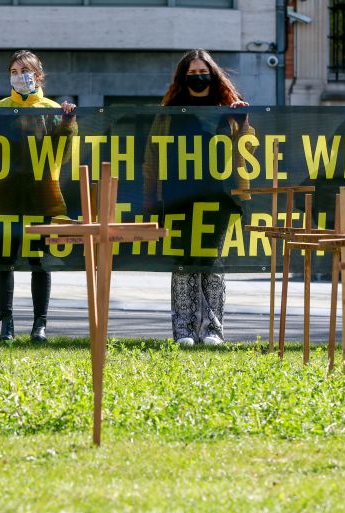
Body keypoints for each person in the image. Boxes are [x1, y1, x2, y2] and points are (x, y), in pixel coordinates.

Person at [143, 49, 251, 346]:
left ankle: (213, 329)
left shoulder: (228, 108)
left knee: (211, 260)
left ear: (213, 75)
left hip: (220, 198)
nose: (198, 78)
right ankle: (184, 330)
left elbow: (247, 149)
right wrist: (150, 197)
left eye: (203, 72)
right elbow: (152, 157)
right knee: (183, 261)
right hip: (177, 198)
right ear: (183, 78)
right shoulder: (168, 112)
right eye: (192, 74)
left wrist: (242, 122)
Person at [0, 50, 77, 342]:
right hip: (5, 195)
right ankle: (6, 324)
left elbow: (62, 155)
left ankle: (39, 325)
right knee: (4, 260)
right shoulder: (0, 108)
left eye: (25, 71)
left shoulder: (52, 109)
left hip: (41, 196)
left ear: (38, 76)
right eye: (14, 72)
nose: (19, 77)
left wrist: (67, 122)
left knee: (39, 261)